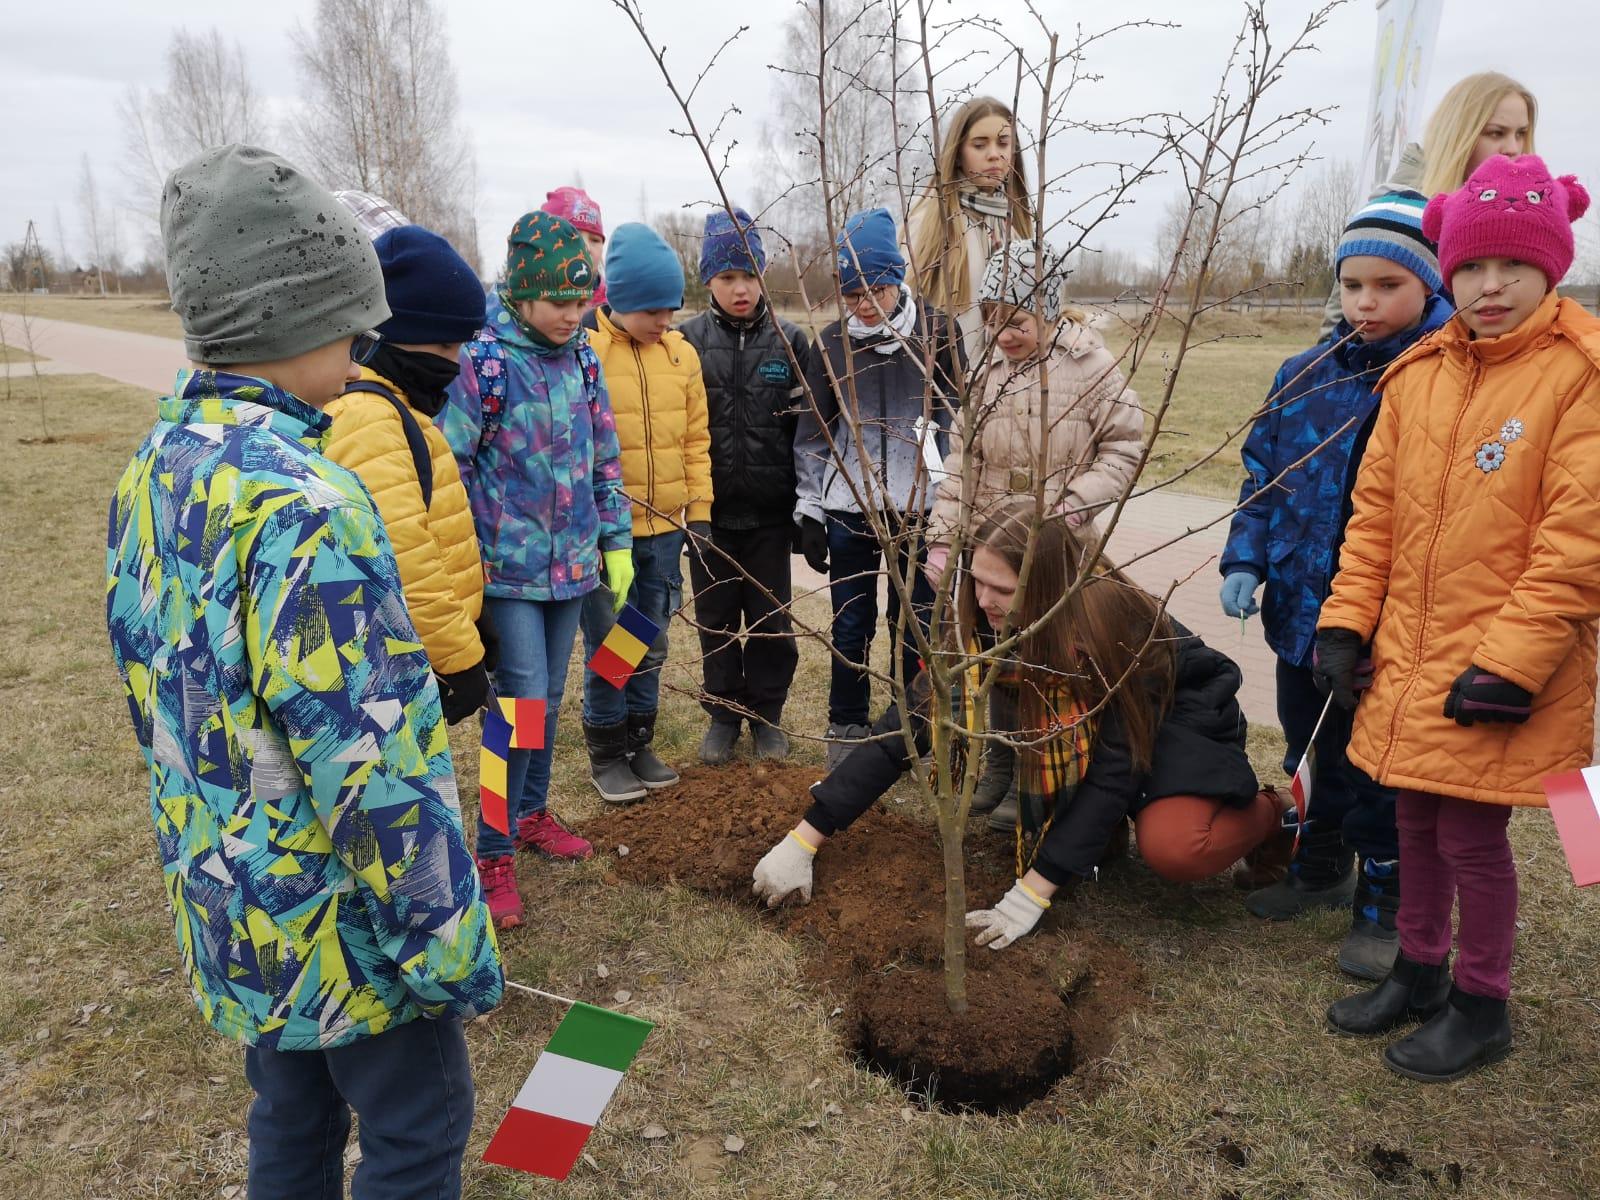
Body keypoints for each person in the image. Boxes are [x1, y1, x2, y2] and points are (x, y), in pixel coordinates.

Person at [105, 144, 502, 1196]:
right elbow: (364, 754)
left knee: (289, 1109)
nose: (365, 343)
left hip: (231, 893)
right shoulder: (307, 505)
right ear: (301, 320)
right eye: (351, 320)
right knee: (416, 1128)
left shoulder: (157, 470)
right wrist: (444, 936)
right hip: (346, 921)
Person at [1316, 156, 1599, 1082]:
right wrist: (1347, 624)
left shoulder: (1578, 375)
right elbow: (1375, 518)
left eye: (1511, 268)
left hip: (1502, 666)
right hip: (1411, 655)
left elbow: (1576, 541)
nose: (1489, 287)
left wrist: (1512, 666)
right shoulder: (1420, 374)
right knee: (1413, 824)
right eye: (1471, 268)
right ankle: (1420, 968)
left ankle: (1483, 1003)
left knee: (1473, 840)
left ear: (1550, 268)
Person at [751, 506, 1286, 946]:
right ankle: (1094, 843)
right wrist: (805, 839)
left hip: (1178, 712)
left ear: (1046, 587)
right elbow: (907, 729)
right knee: (1078, 812)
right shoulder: (979, 618)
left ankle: (1279, 813)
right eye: (978, 582)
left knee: (1173, 847)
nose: (984, 601)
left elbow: (1113, 770)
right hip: (1090, 718)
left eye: (1002, 590)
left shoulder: (1110, 630)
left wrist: (1029, 895)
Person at [1220, 192, 1453, 980]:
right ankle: (1318, 869)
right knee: (1309, 745)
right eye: (1353, 284)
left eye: (1388, 285)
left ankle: (1384, 909)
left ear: (1427, 283)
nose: (1366, 302)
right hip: (1298, 610)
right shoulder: (1304, 375)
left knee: (1380, 772)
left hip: (1386, 627)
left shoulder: (1438, 379)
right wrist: (1246, 559)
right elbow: (1261, 478)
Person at [442, 211, 631, 927]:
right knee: (515, 704)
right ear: (521, 293)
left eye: (582, 301)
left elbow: (604, 455)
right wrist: (465, 568)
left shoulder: (583, 358)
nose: (573, 315)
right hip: (506, 575)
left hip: (574, 566)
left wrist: (613, 541)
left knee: (548, 701)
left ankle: (530, 814)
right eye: (559, 302)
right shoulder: (484, 363)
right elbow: (449, 465)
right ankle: (491, 848)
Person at [925, 240, 1142, 828]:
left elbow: (1125, 447)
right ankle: (998, 763)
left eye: (1015, 320)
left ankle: (1039, 770)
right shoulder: (983, 373)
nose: (1002, 334)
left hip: (1056, 552)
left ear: (1048, 309)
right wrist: (945, 538)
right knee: (997, 658)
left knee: (1050, 657)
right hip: (992, 552)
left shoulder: (1091, 367)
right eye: (991, 320)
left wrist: (1072, 509)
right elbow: (961, 464)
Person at [794, 206, 964, 769]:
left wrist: (956, 493)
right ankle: (846, 722)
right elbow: (815, 434)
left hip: (922, 509)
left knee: (916, 624)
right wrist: (811, 509)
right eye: (852, 294)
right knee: (850, 622)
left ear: (897, 278)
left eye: (876, 288)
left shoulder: (939, 333)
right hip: (853, 510)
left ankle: (914, 727)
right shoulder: (831, 346)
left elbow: (962, 418)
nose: (865, 303)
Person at [324, 224, 492, 727]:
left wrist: (473, 619)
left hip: (421, 649)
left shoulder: (399, 410)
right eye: (444, 344)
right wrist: (459, 657)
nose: (454, 362)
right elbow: (406, 558)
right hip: (395, 665)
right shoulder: (369, 420)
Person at [579, 222, 713, 801]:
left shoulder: (682, 356)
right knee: (612, 642)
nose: (665, 322)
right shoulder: (587, 352)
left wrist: (699, 511)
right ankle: (607, 752)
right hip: (609, 534)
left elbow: (696, 441)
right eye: (654, 311)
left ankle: (640, 740)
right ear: (622, 299)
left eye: (672, 309)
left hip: (663, 530)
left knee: (649, 640)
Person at [678, 206, 815, 764]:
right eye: (728, 276)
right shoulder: (684, 342)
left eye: (750, 275)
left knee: (769, 621)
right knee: (714, 620)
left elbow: (811, 433)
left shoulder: (792, 343)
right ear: (708, 277)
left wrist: (808, 510)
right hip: (708, 516)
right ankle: (723, 716)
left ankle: (766, 716)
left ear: (763, 275)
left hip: (769, 516)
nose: (741, 289)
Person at [1319, 72, 1536, 337]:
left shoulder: (1521, 213)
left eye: (1521, 133)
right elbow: (1339, 323)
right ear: (1458, 133)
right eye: (1496, 133)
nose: (1513, 148)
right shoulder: (1402, 212)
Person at [904, 95, 1035, 364]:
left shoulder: (1016, 228)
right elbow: (903, 311)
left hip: (1008, 390)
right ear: (958, 153)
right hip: (947, 389)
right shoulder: (928, 223)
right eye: (979, 144)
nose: (994, 154)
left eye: (1003, 143)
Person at [544, 184, 609, 310]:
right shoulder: (520, 305)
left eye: (595, 240)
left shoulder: (615, 309)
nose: (586, 248)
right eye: (574, 237)